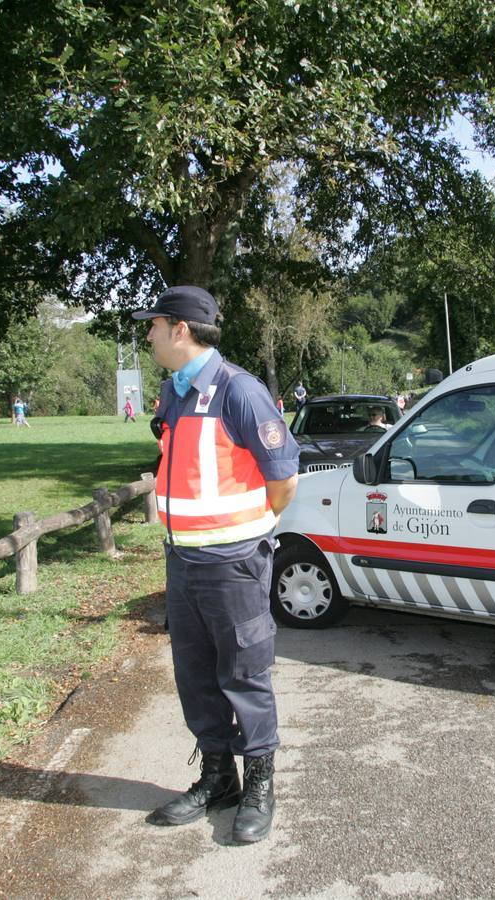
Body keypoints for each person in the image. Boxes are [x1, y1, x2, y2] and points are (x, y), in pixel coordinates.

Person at [132, 285, 299, 845]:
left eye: (153, 324)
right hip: (182, 562)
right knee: (196, 676)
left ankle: (259, 786)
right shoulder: (173, 393)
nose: (148, 334)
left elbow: (284, 482)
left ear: (180, 329)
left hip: (233, 564)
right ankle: (218, 777)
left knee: (244, 675)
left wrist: (247, 534)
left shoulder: (239, 391)